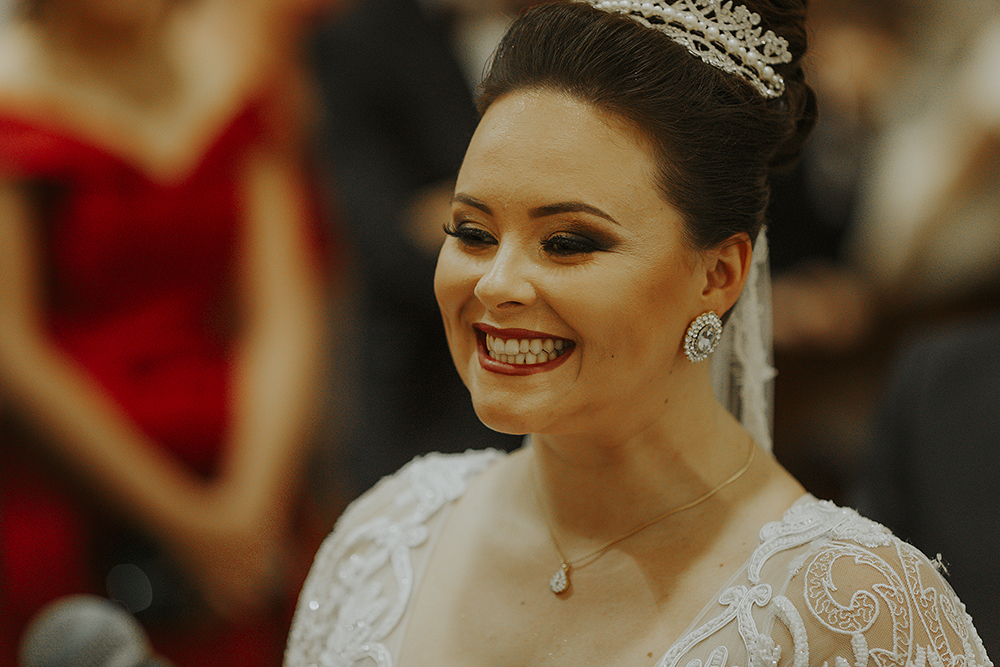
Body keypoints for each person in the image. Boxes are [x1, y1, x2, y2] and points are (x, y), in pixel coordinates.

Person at [284, 2, 994, 666]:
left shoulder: (851, 608)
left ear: (718, 275)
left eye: (567, 242)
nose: (495, 283)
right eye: (471, 232)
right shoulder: (383, 541)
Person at [0, 1, 339, 665]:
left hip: (240, 466)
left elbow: (285, 310)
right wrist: (189, 521)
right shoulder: (14, 94)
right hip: (76, 493)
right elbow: (12, 347)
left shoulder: (234, 71)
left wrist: (252, 503)